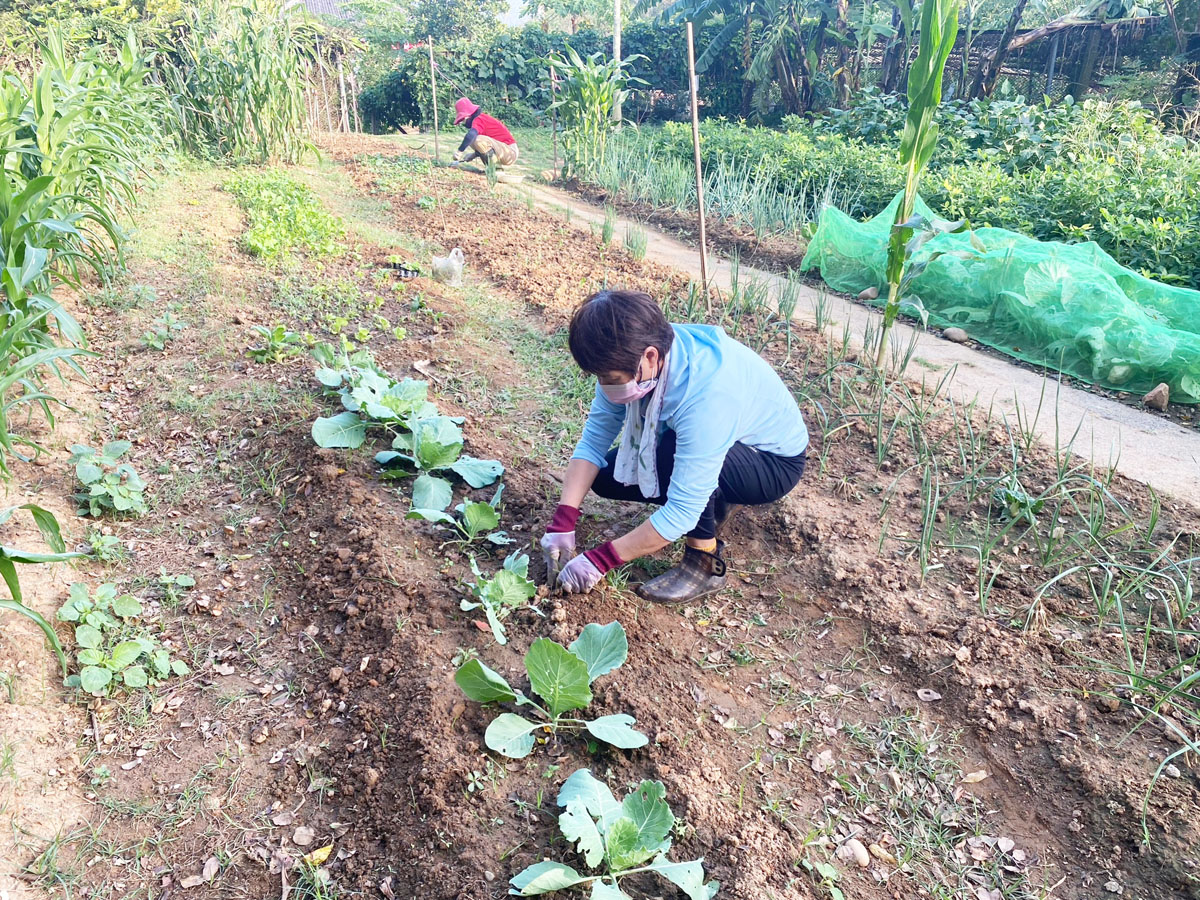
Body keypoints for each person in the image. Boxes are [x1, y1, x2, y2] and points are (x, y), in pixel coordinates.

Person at [540, 289, 809, 604]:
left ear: (650, 357)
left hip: (771, 463)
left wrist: (602, 560)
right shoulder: (631, 351)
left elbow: (681, 511)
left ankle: (704, 561)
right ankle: (715, 495)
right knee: (604, 476)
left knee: (671, 458)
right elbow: (594, 439)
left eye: (610, 377)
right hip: (725, 442)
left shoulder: (707, 393)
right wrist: (564, 519)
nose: (604, 385)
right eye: (598, 377)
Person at [450, 97, 519, 168]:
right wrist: (473, 155)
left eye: (463, 119)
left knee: (477, 139)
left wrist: (459, 151)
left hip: (510, 151)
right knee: (473, 141)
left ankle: (494, 169)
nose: (463, 122)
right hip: (504, 150)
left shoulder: (479, 119)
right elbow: (487, 147)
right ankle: (491, 169)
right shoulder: (480, 120)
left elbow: (471, 135)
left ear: (468, 116)